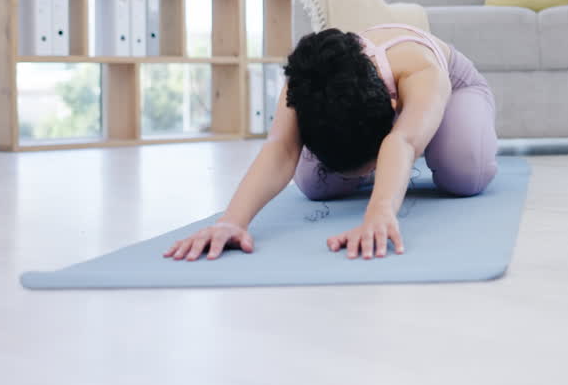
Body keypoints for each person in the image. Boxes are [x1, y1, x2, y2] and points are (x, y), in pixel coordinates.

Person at [164, 24, 498, 261]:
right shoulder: (308, 79)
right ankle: (372, 167)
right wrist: (231, 221)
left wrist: (379, 212)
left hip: (453, 89)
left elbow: (404, 140)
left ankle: (422, 151)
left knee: (464, 173)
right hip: (366, 104)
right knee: (315, 185)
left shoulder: (419, 67)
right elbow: (281, 147)